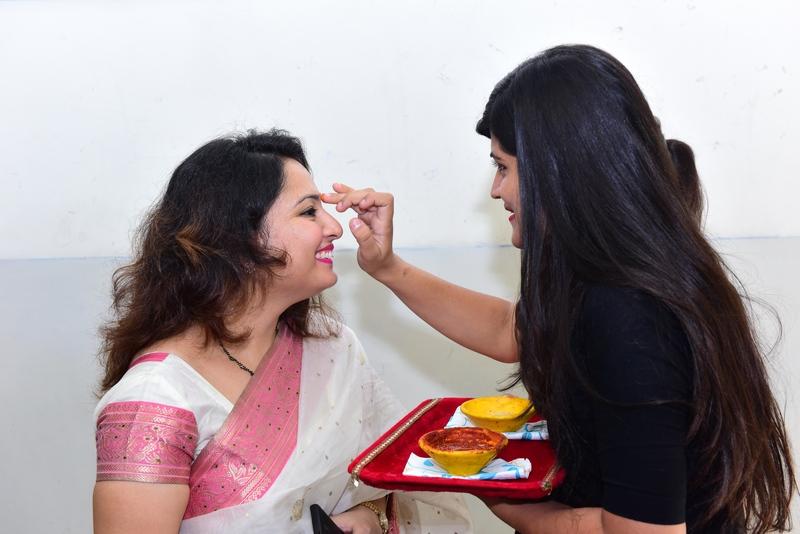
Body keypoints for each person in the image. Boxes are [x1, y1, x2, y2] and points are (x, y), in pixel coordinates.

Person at [322, 45, 795, 533]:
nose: (495, 190)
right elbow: (510, 330)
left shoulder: (630, 318)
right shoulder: (603, 279)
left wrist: (500, 496)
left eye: (502, 167)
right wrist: (389, 268)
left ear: (555, 172)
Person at [92, 130, 472, 534]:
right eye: (308, 212)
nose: (334, 228)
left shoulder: (331, 346)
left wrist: (370, 515)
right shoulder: (153, 401)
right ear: (236, 236)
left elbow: (387, 476)